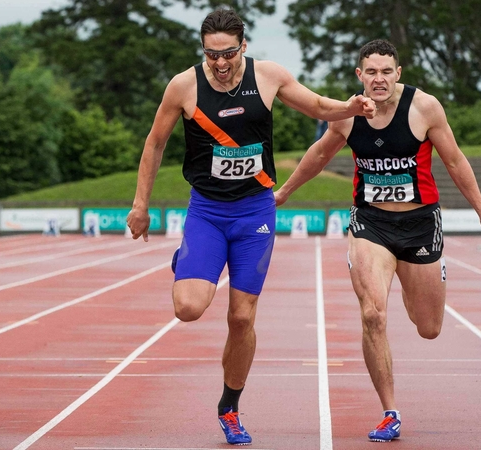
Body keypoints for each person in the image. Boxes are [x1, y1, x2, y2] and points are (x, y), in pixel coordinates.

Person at [125, 8, 376, 445]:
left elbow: (317, 106)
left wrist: (349, 107)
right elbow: (155, 143)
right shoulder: (184, 86)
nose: (220, 63)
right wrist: (140, 204)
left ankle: (229, 407)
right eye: (211, 54)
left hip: (255, 212)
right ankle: (188, 259)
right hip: (207, 211)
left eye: (228, 53)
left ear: (244, 46)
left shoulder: (268, 76)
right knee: (188, 309)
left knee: (241, 317)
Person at [274, 39, 481, 442]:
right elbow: (319, 155)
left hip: (420, 224)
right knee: (373, 314)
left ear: (398, 73)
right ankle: (390, 411)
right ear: (360, 75)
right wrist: (282, 193)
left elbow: (455, 160)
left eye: (386, 71)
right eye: (371, 72)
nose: (379, 79)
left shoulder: (425, 108)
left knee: (428, 327)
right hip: (371, 223)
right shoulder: (348, 114)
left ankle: (409, 279)